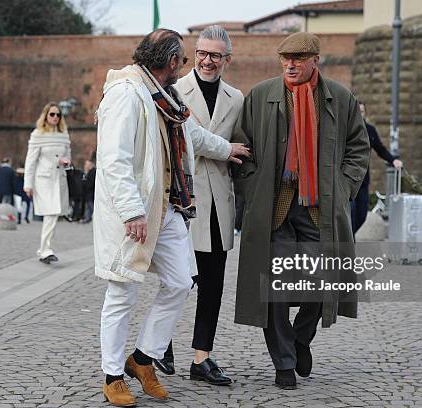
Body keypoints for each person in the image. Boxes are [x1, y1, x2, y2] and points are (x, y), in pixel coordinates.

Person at [94, 29, 250, 406]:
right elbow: (114, 161)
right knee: (122, 291)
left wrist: (228, 148)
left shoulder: (168, 96)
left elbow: (194, 136)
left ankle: (143, 358)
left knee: (181, 281)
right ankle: (113, 375)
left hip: (167, 207)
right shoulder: (126, 94)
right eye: (182, 58)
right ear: (169, 61)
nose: (185, 64)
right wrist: (132, 211)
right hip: (132, 211)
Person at [230, 32, 369, 389]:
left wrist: (343, 189)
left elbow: (358, 149)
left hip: (318, 210)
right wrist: (253, 186)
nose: (290, 65)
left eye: (298, 59)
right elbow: (240, 149)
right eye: (285, 59)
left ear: (314, 60)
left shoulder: (340, 98)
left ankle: (299, 339)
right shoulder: (261, 96)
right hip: (273, 210)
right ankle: (284, 363)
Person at [155, 25, 243, 385]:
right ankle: (162, 345)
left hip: (219, 200)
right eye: (203, 53)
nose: (208, 61)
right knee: (178, 280)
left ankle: (201, 357)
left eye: (216, 55)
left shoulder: (237, 99)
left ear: (227, 59)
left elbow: (241, 147)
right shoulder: (173, 89)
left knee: (212, 284)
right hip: (181, 197)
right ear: (195, 53)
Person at [24, 102, 72, 264]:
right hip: (43, 180)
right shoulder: (37, 135)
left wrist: (65, 162)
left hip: (59, 179)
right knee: (51, 213)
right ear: (45, 116)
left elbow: (68, 158)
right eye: (52, 114)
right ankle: (45, 250)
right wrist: (27, 184)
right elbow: (30, 162)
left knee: (53, 214)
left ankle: (43, 249)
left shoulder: (64, 135)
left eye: (58, 115)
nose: (55, 117)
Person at [351, 101, 402, 234]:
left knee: (361, 215)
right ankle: (348, 243)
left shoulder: (370, 130)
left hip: (363, 180)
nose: (359, 114)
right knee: (350, 214)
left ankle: (349, 237)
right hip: (347, 180)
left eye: (362, 112)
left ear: (365, 113)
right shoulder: (346, 129)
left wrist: (393, 160)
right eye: (357, 111)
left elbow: (380, 149)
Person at [79, 159, 95, 224]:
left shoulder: (93, 172)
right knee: (88, 207)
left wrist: (84, 180)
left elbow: (89, 184)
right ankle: (87, 218)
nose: (85, 166)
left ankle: (90, 219)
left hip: (91, 194)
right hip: (87, 194)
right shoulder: (88, 172)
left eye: (86, 164)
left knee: (91, 207)